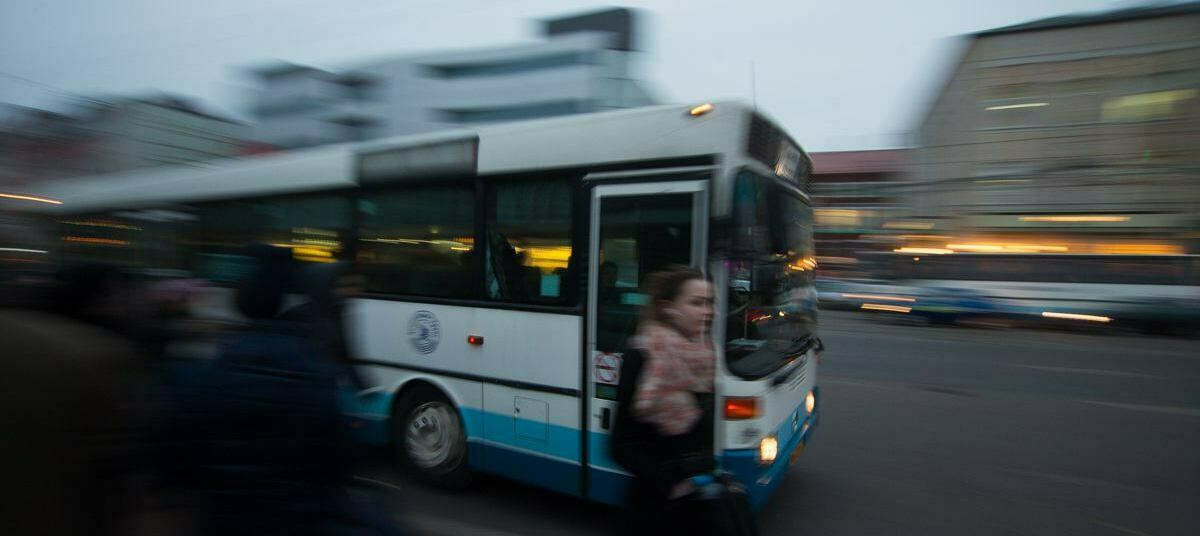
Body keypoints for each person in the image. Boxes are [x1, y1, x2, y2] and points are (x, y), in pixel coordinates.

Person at [610, 265, 718, 535]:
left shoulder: (702, 356)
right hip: (655, 509)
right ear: (669, 307)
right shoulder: (644, 354)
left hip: (695, 502)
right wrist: (672, 485)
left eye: (710, 303)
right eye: (697, 303)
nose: (708, 311)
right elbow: (621, 445)